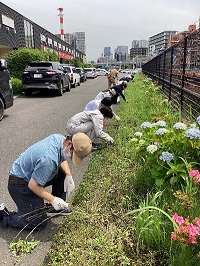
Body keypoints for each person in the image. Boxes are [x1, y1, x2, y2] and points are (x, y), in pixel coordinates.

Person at [0, 133, 92, 231]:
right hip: (20, 184)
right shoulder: (48, 159)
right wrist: (53, 200)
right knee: (38, 223)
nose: (70, 158)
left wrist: (68, 175)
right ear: (69, 143)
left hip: (31, 174)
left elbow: (62, 158)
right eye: (73, 155)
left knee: (62, 173)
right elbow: (33, 185)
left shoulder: (60, 139)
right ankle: (4, 217)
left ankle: (55, 209)